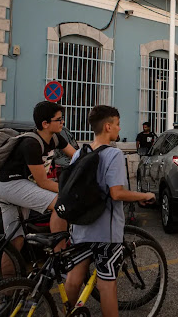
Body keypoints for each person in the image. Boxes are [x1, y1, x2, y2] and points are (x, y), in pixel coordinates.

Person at [65, 106, 156, 316]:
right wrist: (145, 196)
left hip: (80, 227)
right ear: (107, 126)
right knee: (107, 285)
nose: (119, 128)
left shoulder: (79, 152)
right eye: (116, 124)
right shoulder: (114, 154)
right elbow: (117, 193)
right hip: (106, 232)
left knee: (74, 277)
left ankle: (67, 312)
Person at [0, 101, 77, 276]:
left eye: (63, 119)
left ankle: (8, 293)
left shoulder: (55, 138)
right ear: (45, 124)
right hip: (11, 185)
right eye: (59, 119)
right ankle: (58, 258)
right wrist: (69, 190)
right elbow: (43, 182)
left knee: (14, 242)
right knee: (60, 203)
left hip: (11, 187)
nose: (62, 123)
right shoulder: (31, 143)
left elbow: (76, 156)